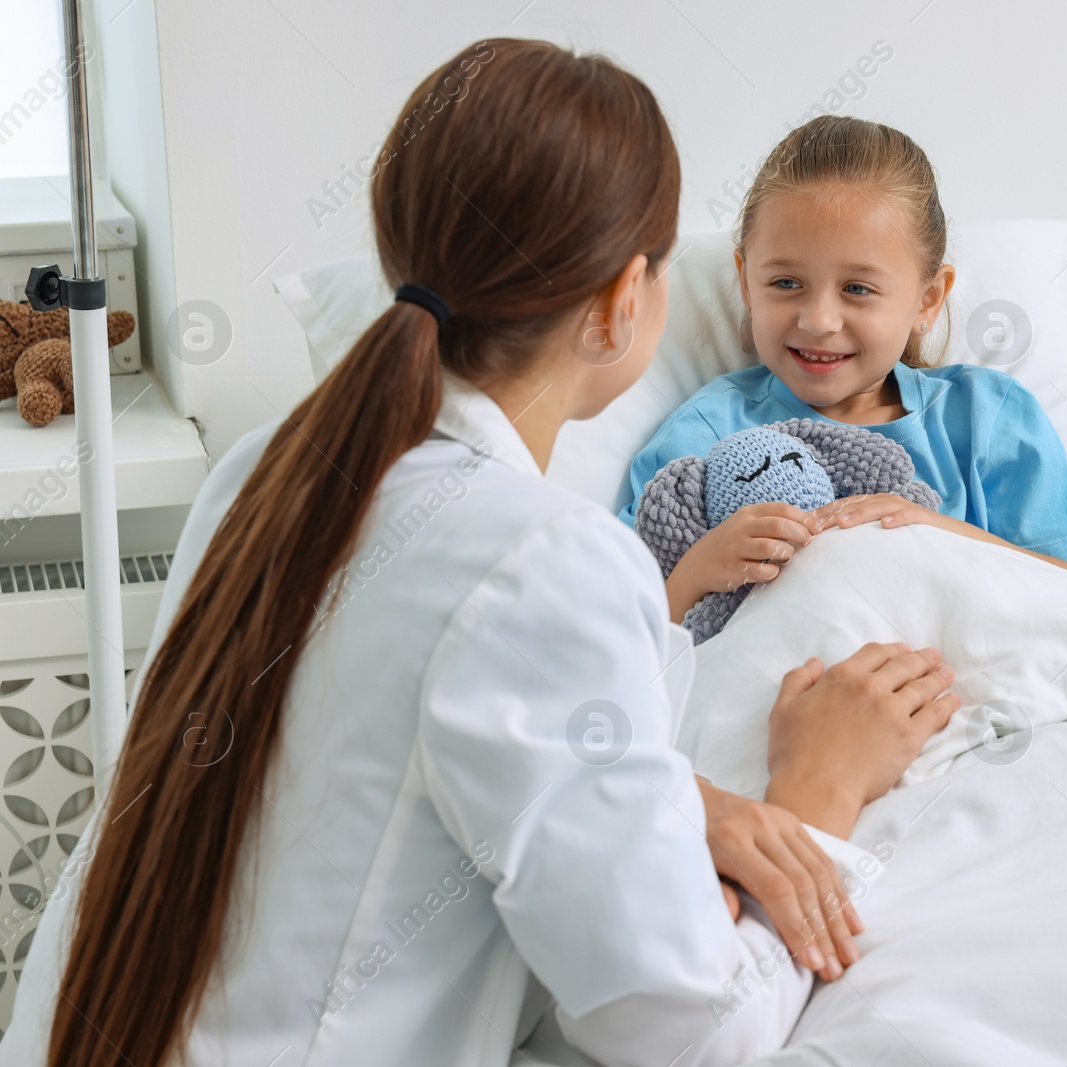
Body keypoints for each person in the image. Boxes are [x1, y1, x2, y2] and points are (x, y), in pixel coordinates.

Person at [0, 40, 960, 1067]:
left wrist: (684, 802)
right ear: (620, 301)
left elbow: (388, 746)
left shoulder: (260, 469)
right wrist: (817, 789)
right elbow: (685, 1032)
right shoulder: (547, 564)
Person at [619, 116, 1067, 624]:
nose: (818, 321)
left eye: (858, 289)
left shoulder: (985, 417)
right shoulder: (709, 433)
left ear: (928, 300)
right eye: (786, 283)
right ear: (746, 283)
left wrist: (935, 531)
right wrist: (698, 571)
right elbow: (624, 631)